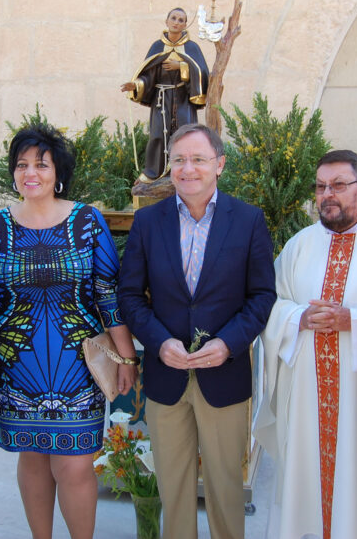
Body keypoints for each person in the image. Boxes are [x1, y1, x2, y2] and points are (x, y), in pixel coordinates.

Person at [0, 123, 139, 539]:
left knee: (76, 464)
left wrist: (127, 359)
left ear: (57, 172)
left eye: (41, 165)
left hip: (78, 365)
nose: (30, 173)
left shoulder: (87, 221)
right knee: (31, 457)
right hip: (14, 365)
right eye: (22, 165)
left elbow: (108, 295)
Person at [118, 123, 276, 539]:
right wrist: (158, 342)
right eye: (179, 160)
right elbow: (130, 296)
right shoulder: (148, 222)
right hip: (166, 376)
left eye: (198, 159)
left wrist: (228, 343)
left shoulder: (248, 220)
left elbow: (262, 296)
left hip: (224, 375)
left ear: (219, 164)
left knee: (226, 489)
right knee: (174, 489)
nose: (187, 169)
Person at [254, 150, 357, 539]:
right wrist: (299, 318)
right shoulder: (300, 245)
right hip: (308, 395)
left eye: (339, 185)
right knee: (307, 478)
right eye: (321, 186)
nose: (327, 194)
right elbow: (270, 303)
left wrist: (352, 321)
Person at [121, 7, 209, 183]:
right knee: (157, 134)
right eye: (173, 18)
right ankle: (153, 172)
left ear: (185, 25)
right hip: (161, 99)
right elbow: (148, 74)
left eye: (181, 20)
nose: (176, 22)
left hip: (183, 98)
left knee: (185, 134)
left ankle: (185, 173)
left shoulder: (192, 47)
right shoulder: (157, 46)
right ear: (167, 21)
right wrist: (136, 85)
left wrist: (182, 66)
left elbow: (203, 73)